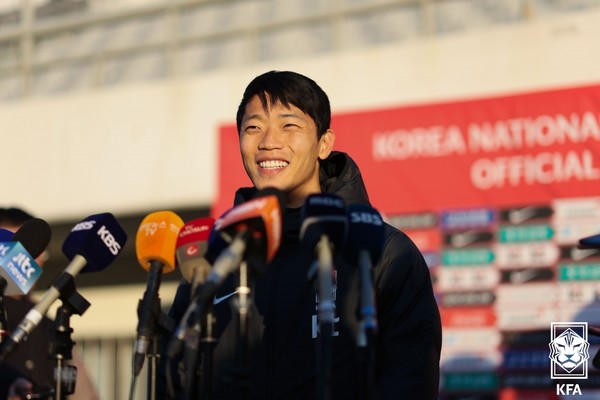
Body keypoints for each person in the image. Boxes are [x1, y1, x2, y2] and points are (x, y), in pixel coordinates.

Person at [160, 71, 442, 399]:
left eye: (289, 125)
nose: (268, 142)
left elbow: (410, 381)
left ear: (324, 143)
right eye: (254, 127)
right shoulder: (215, 260)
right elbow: (176, 383)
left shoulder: (385, 253)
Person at [0, 207, 99, 400]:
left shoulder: (51, 326)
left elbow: (85, 394)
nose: (27, 258)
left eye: (35, 250)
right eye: (18, 247)